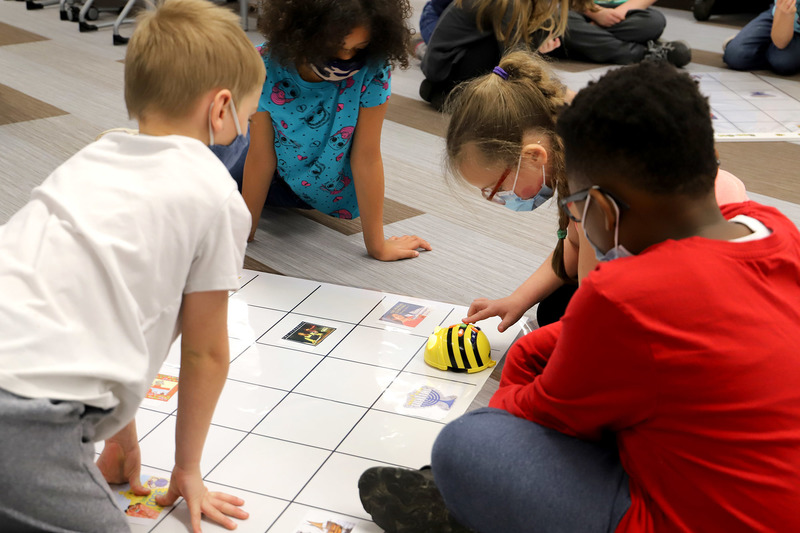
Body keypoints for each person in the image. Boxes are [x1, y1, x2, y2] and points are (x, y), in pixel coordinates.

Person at [358, 61, 800, 532]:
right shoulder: (774, 227)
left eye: (577, 211)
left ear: (602, 211)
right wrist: (541, 343)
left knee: (466, 446)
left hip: (688, 516)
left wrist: (523, 379)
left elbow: (540, 421)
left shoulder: (624, 296)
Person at [0, 0, 264, 531]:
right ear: (221, 109)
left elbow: (103, 303)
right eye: (249, 119)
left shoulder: (91, 156)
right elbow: (206, 352)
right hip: (21, 421)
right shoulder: (216, 197)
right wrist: (187, 468)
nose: (244, 131)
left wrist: (115, 433)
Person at [442, 50, 748, 330]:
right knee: (554, 309)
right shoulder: (576, 143)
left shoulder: (593, 186)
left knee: (571, 322)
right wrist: (518, 299)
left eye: (497, 189)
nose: (498, 199)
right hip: (693, 225)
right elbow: (573, 247)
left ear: (534, 156)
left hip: (706, 264)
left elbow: (593, 305)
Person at [238, 0, 432, 262]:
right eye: (335, 48)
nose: (346, 59)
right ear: (302, 32)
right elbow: (261, 155)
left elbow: (367, 156)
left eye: (359, 49)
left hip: (316, 192)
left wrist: (377, 246)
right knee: (212, 152)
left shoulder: (372, 69)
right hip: (271, 177)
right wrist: (244, 233)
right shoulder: (264, 65)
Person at [419, 0, 591, 110]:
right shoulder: (508, 3)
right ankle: (454, 96)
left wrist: (535, 47)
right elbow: (518, 60)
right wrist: (563, 93)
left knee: (521, 54)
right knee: (514, 64)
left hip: (451, 66)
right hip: (447, 71)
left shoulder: (524, 5)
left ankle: (459, 96)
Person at [558, 0, 692, 67]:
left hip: (622, 12)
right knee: (560, 21)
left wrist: (615, 16)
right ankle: (644, 53)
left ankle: (581, 44)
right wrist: (596, 13)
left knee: (654, 21)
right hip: (576, 9)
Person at [722, 0, 800, 75]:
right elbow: (781, 42)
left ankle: (773, 52)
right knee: (736, 55)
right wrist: (785, 13)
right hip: (783, 13)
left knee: (783, 61)